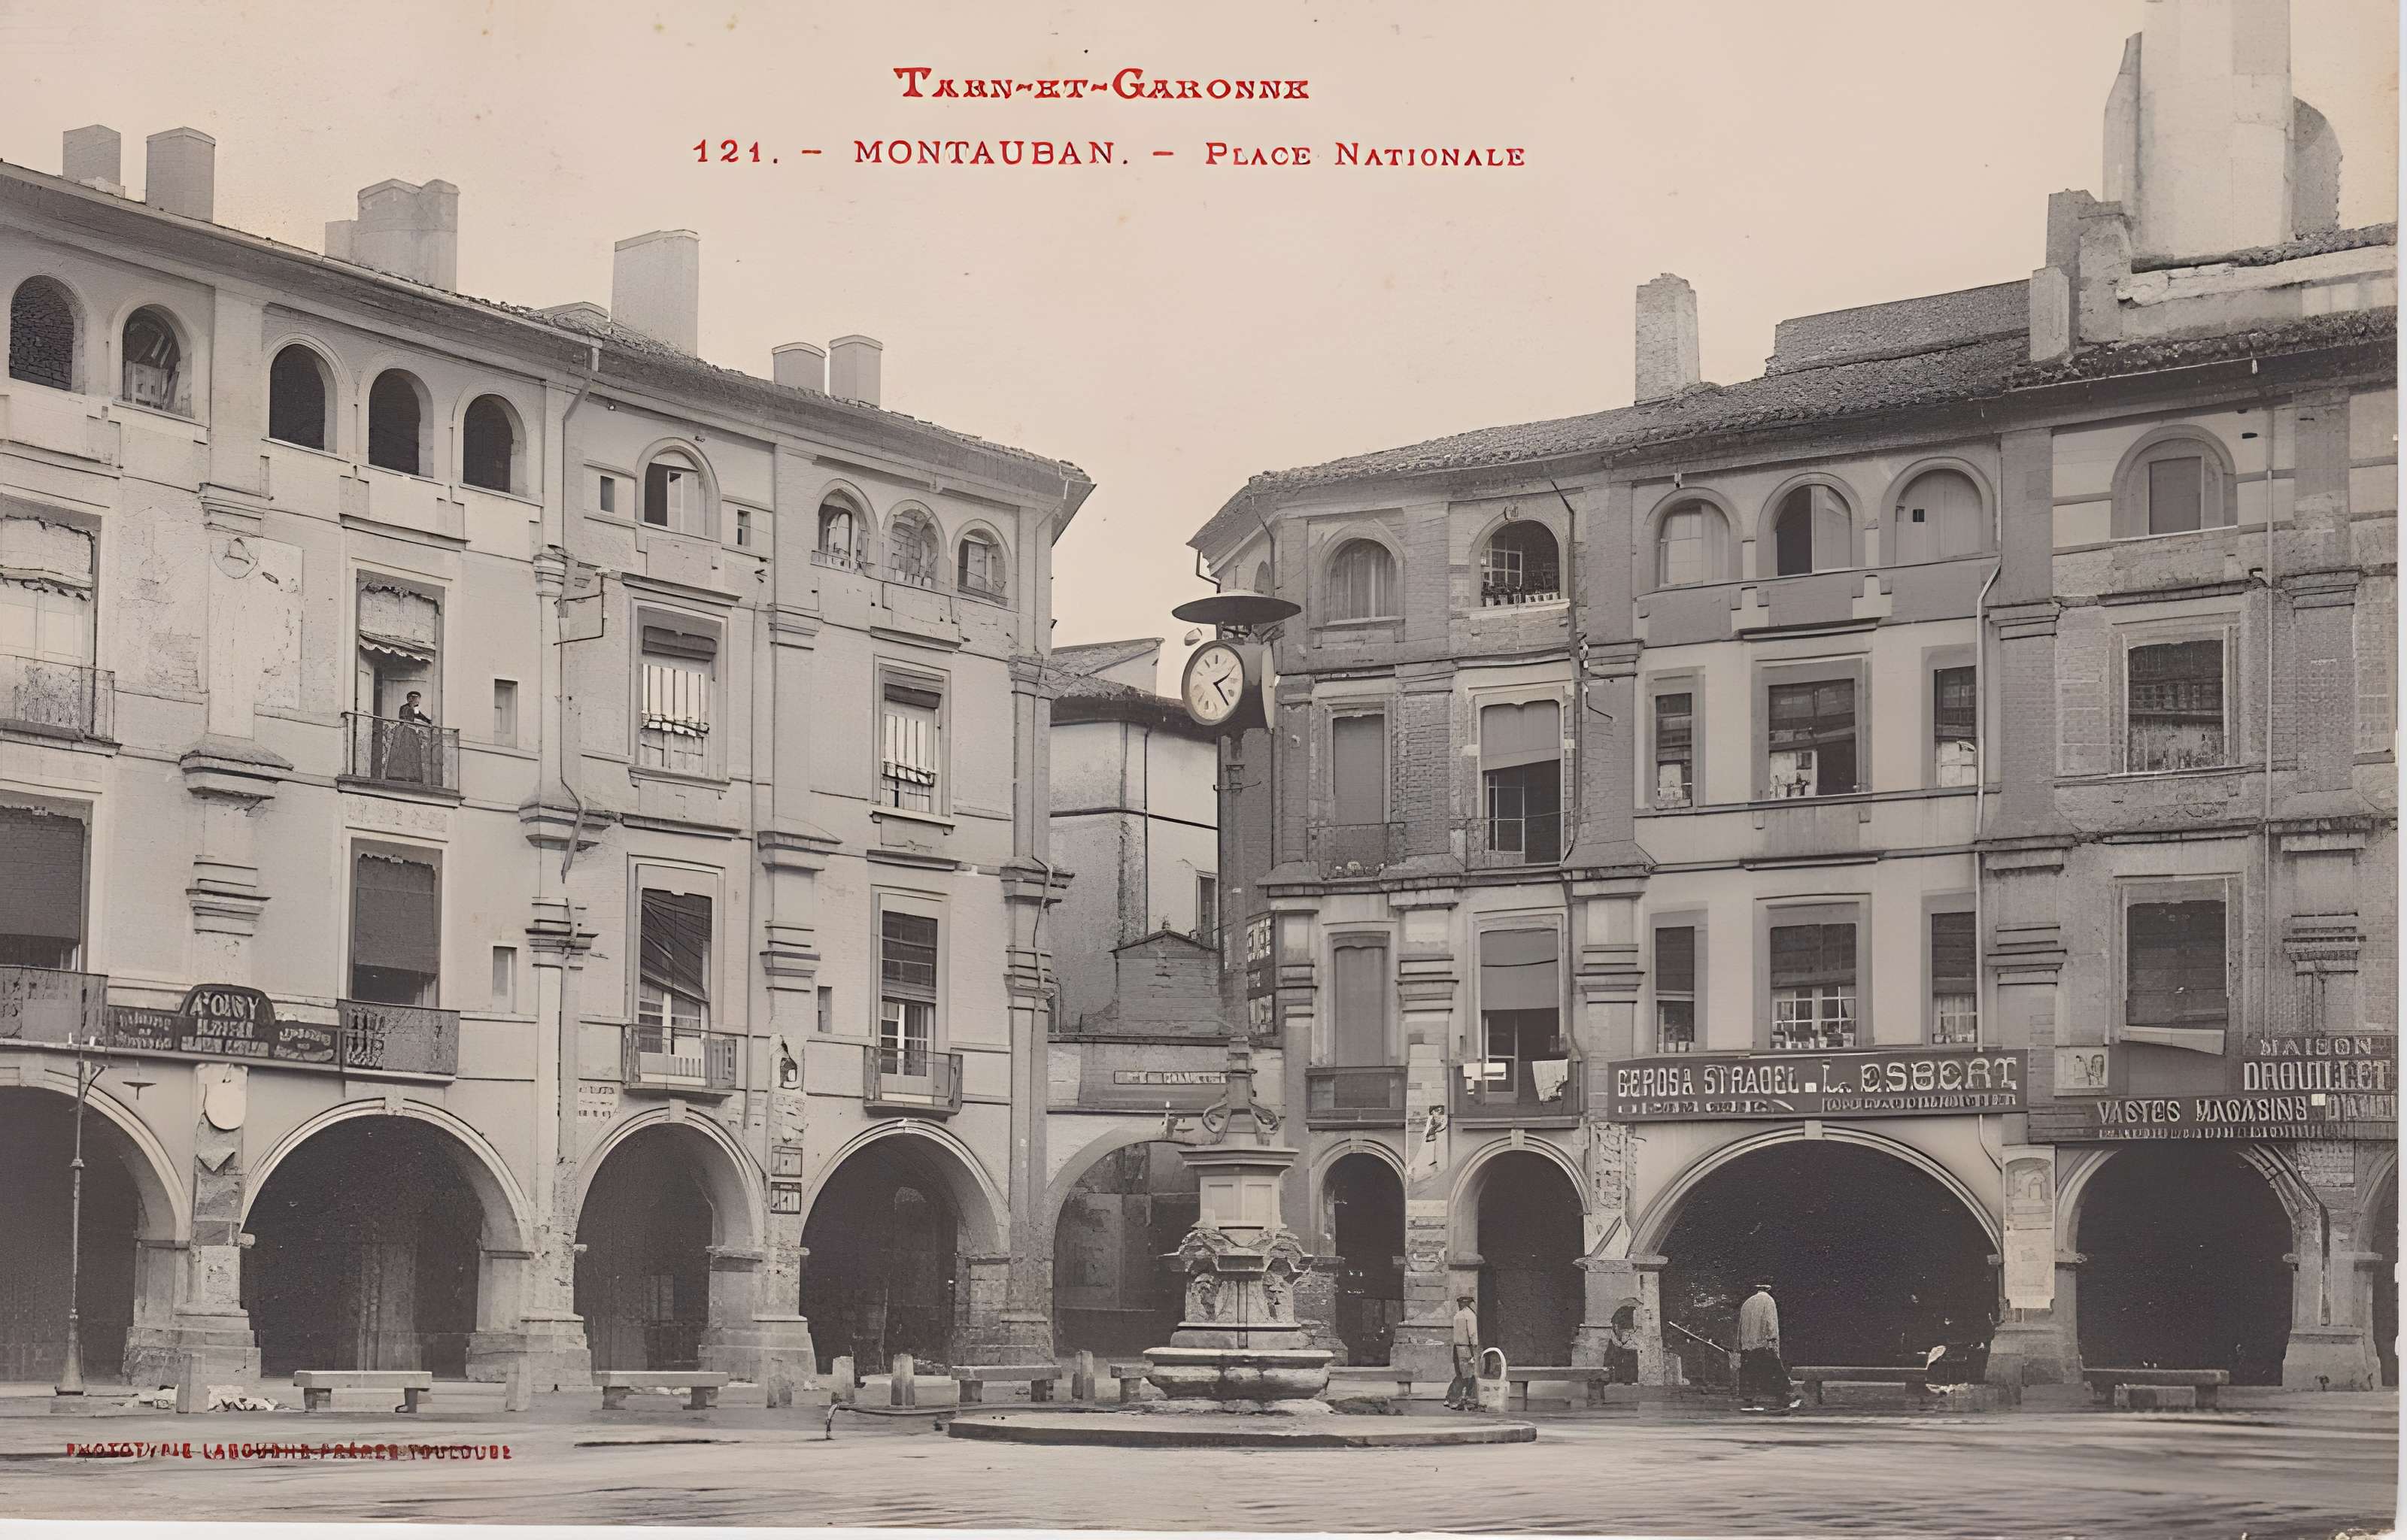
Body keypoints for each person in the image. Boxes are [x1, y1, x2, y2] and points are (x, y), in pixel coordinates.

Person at [1736, 1277, 1800, 1411]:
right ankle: (1786, 1399)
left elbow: (1740, 1325)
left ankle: (1749, 1402)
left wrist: (1741, 1343)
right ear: (1769, 1289)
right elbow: (1771, 1322)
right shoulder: (1768, 1301)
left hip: (1748, 1344)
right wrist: (1773, 1340)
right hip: (1763, 1343)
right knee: (1775, 1370)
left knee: (1750, 1373)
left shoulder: (1747, 1302)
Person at [1446, 1291, 1480, 1410]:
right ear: (1470, 1303)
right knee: (1468, 1375)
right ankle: (1462, 1398)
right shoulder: (1471, 1316)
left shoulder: (1458, 1315)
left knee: (1460, 1374)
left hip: (1457, 1347)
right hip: (1466, 1348)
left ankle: (1451, 1398)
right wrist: (1475, 1350)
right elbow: (1473, 1334)